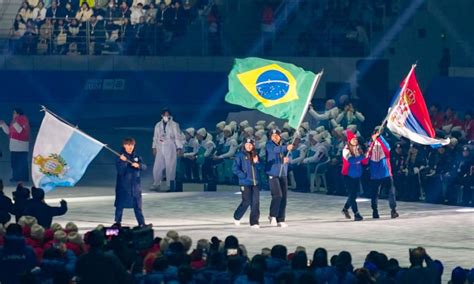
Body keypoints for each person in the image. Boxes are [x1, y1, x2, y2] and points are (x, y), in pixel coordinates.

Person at [366, 129, 399, 219]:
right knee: (384, 192)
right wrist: (376, 139)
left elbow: (387, 149)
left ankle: (390, 210)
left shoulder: (379, 143)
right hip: (383, 173)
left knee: (380, 193)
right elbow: (366, 156)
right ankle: (377, 210)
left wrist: (378, 138)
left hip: (383, 173)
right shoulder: (371, 144)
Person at [114, 137, 146, 227]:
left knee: (138, 206)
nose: (130, 147)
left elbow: (144, 167)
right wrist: (123, 162)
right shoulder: (120, 157)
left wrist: (138, 165)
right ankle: (117, 222)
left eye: (132, 145)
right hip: (123, 186)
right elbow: (120, 171)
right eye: (128, 145)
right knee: (120, 205)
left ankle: (141, 223)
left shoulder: (137, 156)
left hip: (135, 186)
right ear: (124, 145)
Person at [265, 129, 293, 227]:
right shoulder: (269, 145)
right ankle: (272, 215)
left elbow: (290, 156)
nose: (275, 137)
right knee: (277, 195)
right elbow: (274, 151)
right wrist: (286, 147)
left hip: (283, 173)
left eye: (277, 135)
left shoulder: (284, 145)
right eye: (273, 136)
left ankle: (281, 219)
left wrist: (287, 159)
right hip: (273, 173)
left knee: (284, 197)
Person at [151, 108, 184, 192]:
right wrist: (154, 147)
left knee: (170, 166)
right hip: (160, 146)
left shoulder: (174, 125)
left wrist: (179, 147)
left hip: (170, 146)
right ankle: (156, 183)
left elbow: (177, 137)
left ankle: (170, 185)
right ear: (162, 115)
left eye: (167, 115)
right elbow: (155, 137)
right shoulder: (158, 125)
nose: (166, 116)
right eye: (165, 115)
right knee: (157, 167)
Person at [232, 138, 260, 229]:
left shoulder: (256, 155)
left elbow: (261, 167)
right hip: (244, 182)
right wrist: (243, 175)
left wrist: (257, 162)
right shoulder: (239, 155)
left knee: (255, 202)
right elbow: (235, 168)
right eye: (247, 145)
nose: (249, 146)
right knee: (246, 201)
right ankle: (237, 216)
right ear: (244, 145)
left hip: (255, 182)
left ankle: (254, 222)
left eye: (250, 145)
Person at [0, 108, 30, 182]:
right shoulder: (15, 121)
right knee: (15, 163)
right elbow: (8, 132)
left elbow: (20, 130)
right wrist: (3, 124)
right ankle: (16, 177)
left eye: (14, 113)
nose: (13, 114)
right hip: (15, 147)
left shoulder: (23, 119)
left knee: (21, 164)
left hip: (21, 146)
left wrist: (14, 123)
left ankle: (23, 177)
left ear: (18, 113)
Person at [341, 130, 364, 221]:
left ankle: (345, 209)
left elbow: (363, 161)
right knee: (352, 194)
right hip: (348, 175)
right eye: (353, 139)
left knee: (354, 195)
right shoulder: (346, 150)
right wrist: (362, 157)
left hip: (357, 174)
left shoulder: (358, 149)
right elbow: (351, 160)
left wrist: (367, 155)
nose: (355, 141)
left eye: (356, 139)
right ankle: (356, 213)